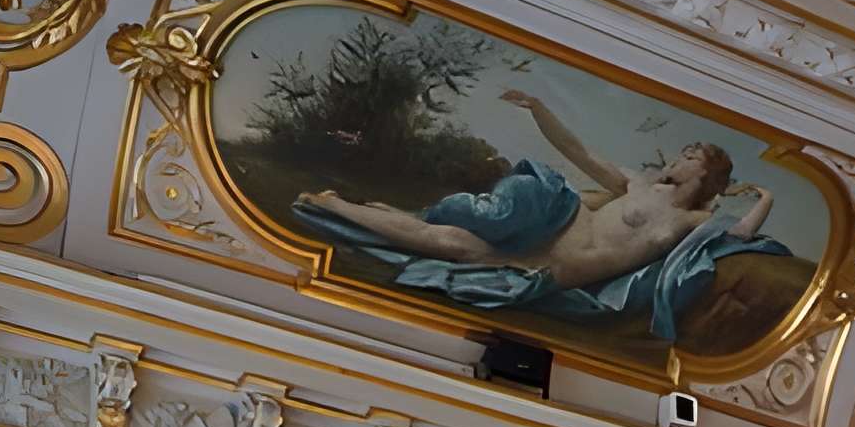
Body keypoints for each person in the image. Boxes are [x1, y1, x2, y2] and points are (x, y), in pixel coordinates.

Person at [295, 87, 783, 337]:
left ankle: (342, 208)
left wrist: (765, 198)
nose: (681, 157)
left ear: (707, 176)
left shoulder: (691, 222)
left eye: (693, 156)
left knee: (450, 246)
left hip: (550, 269)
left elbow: (736, 235)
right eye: (684, 151)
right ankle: (342, 205)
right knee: (478, 219)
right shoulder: (635, 182)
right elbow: (579, 151)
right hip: (555, 219)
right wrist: (539, 107)